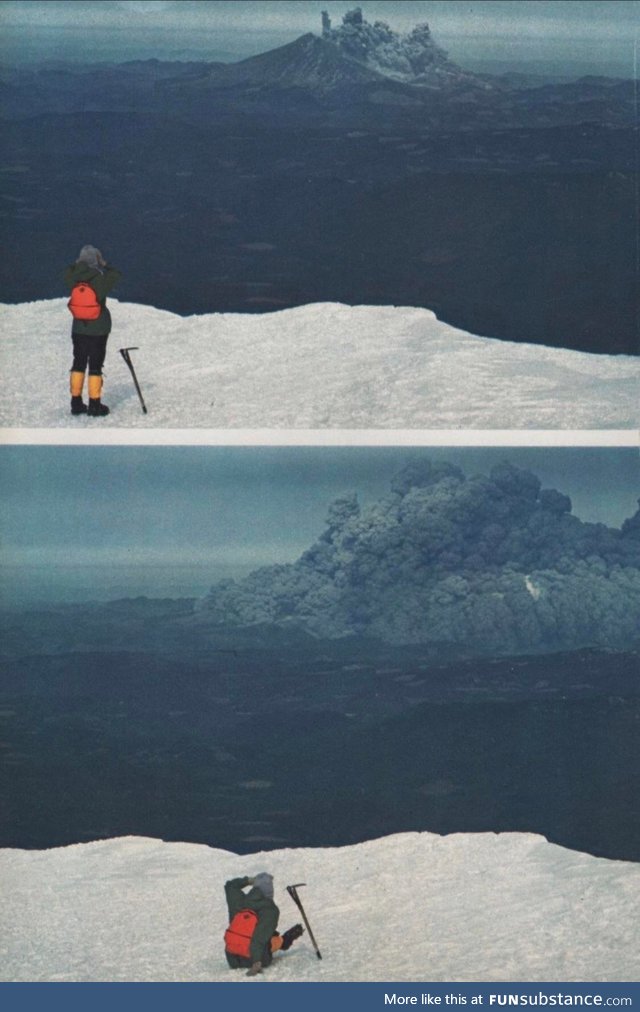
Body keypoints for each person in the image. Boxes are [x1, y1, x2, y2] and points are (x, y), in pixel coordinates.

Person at [64, 245, 122, 417]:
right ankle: (95, 405)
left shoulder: (72, 277)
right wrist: (104, 264)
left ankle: (76, 403)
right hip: (98, 329)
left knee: (78, 362)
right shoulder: (100, 279)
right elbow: (117, 274)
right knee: (95, 365)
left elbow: (65, 271)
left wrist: (78, 264)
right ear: (96, 260)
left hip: (79, 328)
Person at [224, 873, 303, 976]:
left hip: (233, 959)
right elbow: (258, 939)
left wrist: (250, 880)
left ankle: (281, 940)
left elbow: (230, 885)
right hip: (252, 960)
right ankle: (284, 941)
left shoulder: (239, 901)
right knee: (271, 937)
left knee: (262, 931)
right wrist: (256, 962)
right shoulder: (270, 910)